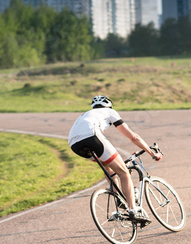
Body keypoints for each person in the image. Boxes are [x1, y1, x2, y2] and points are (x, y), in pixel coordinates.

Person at [68, 95, 162, 223]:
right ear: (109, 105)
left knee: (108, 166)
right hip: (91, 135)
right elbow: (133, 137)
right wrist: (151, 153)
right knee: (123, 172)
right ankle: (133, 210)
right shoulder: (110, 111)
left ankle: (119, 197)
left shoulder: (86, 114)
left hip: (74, 144)